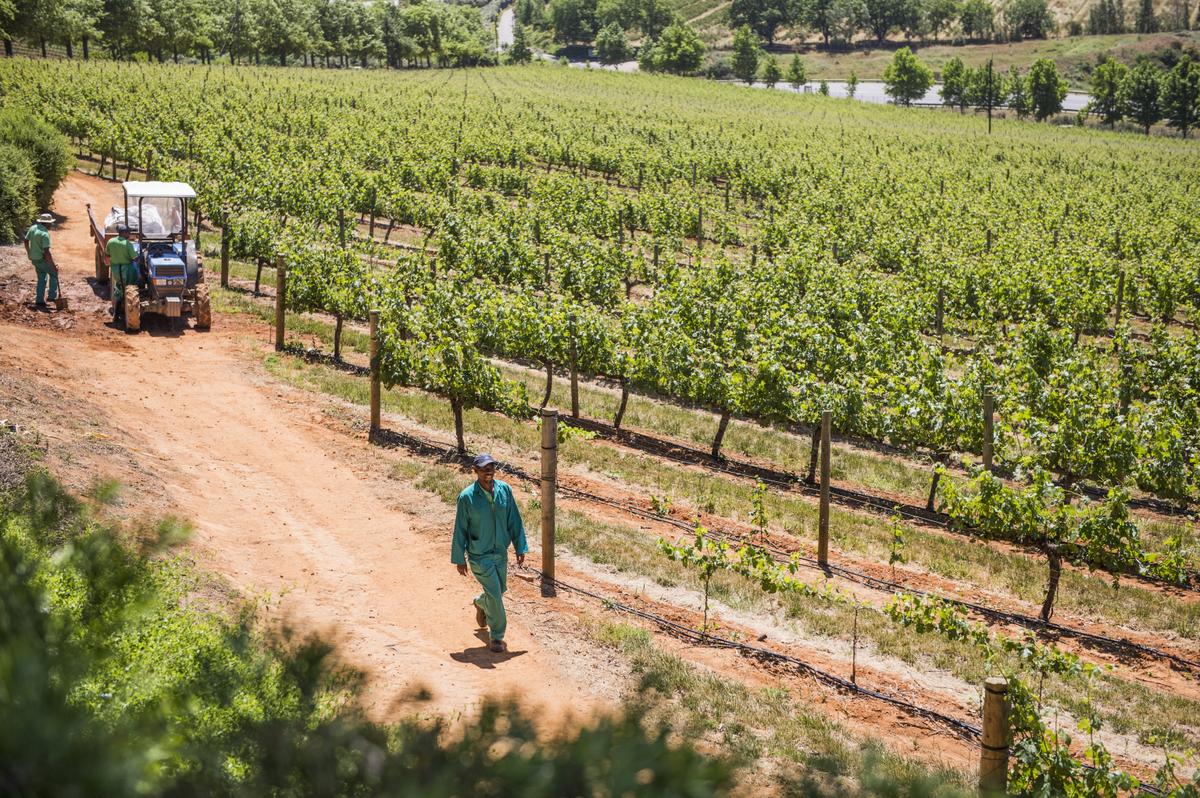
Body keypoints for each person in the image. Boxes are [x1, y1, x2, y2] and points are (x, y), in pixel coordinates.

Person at [451, 453, 528, 653]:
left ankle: (480, 602)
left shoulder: (505, 491)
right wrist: (460, 558)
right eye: (484, 467)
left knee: (498, 591)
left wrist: (520, 546)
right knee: (495, 592)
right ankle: (497, 637)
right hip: (478, 554)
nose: (488, 470)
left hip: (500, 552)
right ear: (475, 471)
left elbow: (514, 520)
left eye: (491, 467)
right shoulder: (467, 497)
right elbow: (460, 528)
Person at [23, 213, 58, 310]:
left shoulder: (33, 228)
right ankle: (52, 297)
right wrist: (53, 265)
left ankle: (39, 300)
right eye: (50, 223)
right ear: (46, 224)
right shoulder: (45, 234)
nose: (51, 225)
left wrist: (29, 253)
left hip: (34, 259)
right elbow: (47, 252)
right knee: (54, 273)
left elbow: (26, 241)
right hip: (42, 259)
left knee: (42, 277)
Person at [106, 225, 139, 320]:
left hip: (116, 269)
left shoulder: (111, 241)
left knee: (120, 288)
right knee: (131, 286)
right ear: (123, 233)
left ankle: (116, 314)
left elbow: (107, 255)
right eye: (128, 232)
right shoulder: (127, 244)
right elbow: (135, 258)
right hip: (127, 270)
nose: (129, 234)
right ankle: (130, 311)